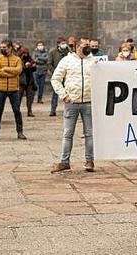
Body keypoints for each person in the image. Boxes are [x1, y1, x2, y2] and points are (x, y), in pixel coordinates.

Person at [50, 37, 96, 173]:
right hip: (72, 102)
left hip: (89, 102)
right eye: (85, 45)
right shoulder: (67, 61)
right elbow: (56, 79)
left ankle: (90, 161)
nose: (88, 48)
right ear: (77, 47)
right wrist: (64, 95)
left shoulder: (94, 61)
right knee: (68, 133)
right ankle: (64, 162)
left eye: (89, 45)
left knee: (89, 134)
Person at [0, 39, 26, 140]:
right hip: (1, 89)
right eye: (1, 47)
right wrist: (12, 73)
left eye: (4, 48)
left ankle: (20, 132)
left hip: (14, 89)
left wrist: (5, 69)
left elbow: (18, 70)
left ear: (10, 48)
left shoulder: (17, 59)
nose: (2, 49)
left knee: (16, 110)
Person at [47, 37, 69, 117]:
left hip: (67, 76)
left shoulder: (68, 52)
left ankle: (68, 110)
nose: (64, 45)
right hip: (58, 76)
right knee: (55, 93)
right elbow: (49, 63)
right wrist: (55, 72)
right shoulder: (53, 52)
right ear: (58, 44)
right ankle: (53, 110)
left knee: (68, 93)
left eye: (64, 43)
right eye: (62, 43)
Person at [17, 47, 36, 117]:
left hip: (29, 80)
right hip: (21, 81)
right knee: (19, 97)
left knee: (30, 97)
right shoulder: (18, 60)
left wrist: (33, 66)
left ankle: (29, 111)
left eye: (27, 53)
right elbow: (19, 70)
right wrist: (25, 66)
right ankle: (17, 111)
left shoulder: (29, 58)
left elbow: (34, 69)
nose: (26, 55)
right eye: (24, 53)